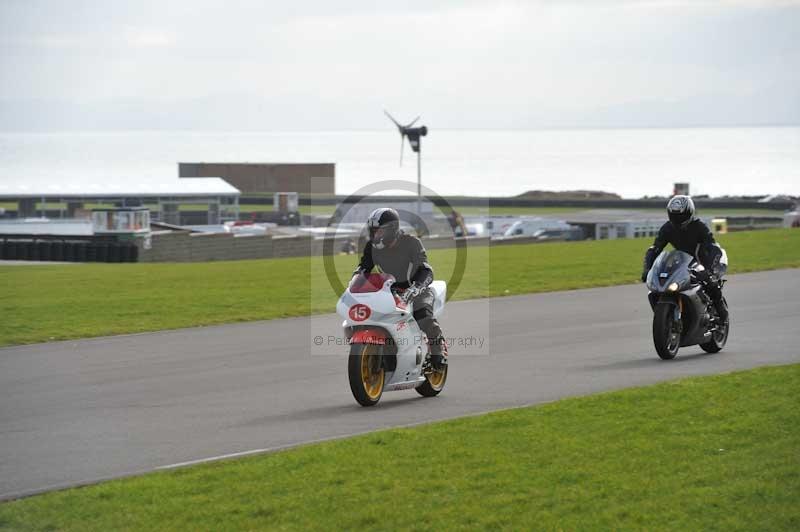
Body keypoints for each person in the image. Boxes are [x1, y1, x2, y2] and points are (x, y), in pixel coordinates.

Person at [354, 208, 447, 369]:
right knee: (371, 315)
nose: (375, 235)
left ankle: (439, 353)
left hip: (417, 289)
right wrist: (355, 282)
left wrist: (415, 289)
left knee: (423, 315)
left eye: (379, 231)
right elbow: (364, 268)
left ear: (392, 229)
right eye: (373, 231)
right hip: (389, 291)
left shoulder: (411, 242)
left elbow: (426, 270)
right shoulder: (371, 247)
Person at [641, 195, 728, 321]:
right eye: (674, 215)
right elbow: (655, 249)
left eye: (681, 216)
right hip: (682, 262)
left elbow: (712, 248)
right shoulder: (667, 228)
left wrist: (709, 271)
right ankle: (670, 318)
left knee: (710, 283)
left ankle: (722, 312)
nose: (677, 219)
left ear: (690, 213)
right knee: (661, 286)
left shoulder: (699, 227)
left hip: (702, 262)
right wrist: (647, 269)